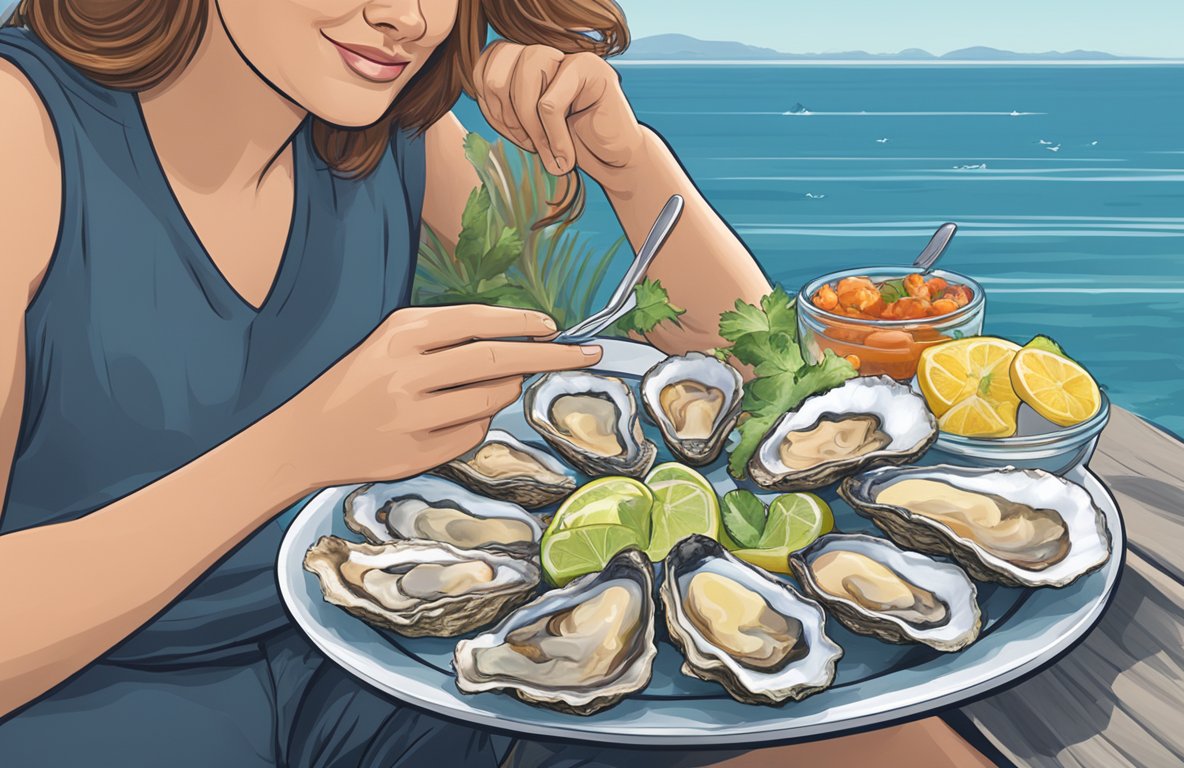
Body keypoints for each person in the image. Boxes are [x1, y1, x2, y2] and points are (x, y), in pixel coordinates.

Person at [0, 1, 995, 765]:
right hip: (94, 702)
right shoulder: (22, 140)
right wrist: (298, 448)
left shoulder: (390, 131)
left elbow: (766, 395)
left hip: (378, 665)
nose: (411, 18)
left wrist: (631, 166)